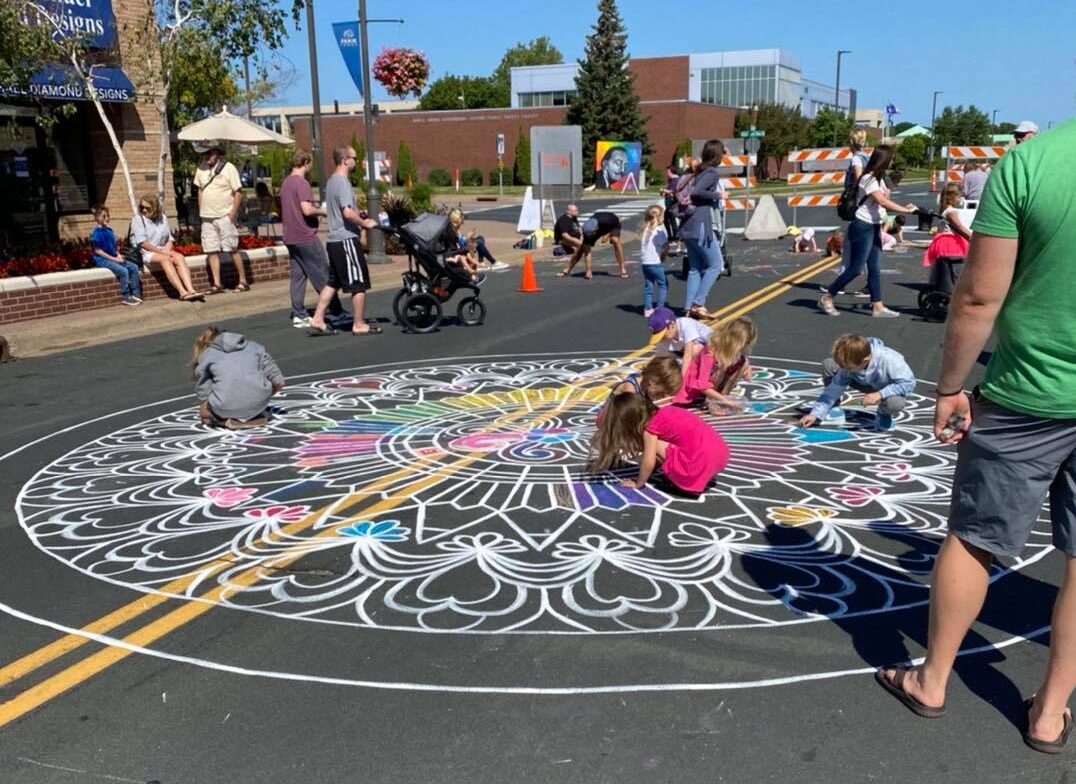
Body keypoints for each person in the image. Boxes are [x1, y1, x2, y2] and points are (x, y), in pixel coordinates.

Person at [875, 118, 1076, 753]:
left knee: (974, 540)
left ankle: (932, 679)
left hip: (1027, 394)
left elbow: (978, 298)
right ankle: (1050, 712)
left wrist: (950, 387)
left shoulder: (1032, 163)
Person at [818, 146, 918, 318]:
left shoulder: (878, 179)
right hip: (862, 226)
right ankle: (827, 297)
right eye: (891, 158)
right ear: (884, 160)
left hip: (874, 225)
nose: (893, 161)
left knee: (874, 268)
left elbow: (883, 202)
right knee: (856, 269)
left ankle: (877, 306)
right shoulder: (868, 178)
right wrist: (906, 210)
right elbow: (881, 201)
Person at [589, 393, 729, 496]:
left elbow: (649, 461)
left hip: (698, 464)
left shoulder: (650, 427)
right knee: (666, 446)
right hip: (720, 456)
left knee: (653, 446)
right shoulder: (667, 411)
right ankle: (693, 475)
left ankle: (685, 480)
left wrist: (638, 483)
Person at [307, 145, 382, 336]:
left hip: (334, 240)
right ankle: (358, 324)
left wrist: (358, 214)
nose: (356, 162)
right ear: (345, 159)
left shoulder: (331, 182)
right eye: (354, 158)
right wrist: (365, 222)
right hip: (345, 239)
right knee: (359, 282)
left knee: (333, 281)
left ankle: (317, 318)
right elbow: (347, 213)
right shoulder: (342, 182)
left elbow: (342, 210)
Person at [279, 149, 344, 328]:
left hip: (290, 236)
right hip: (305, 236)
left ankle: (299, 314)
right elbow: (307, 210)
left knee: (298, 276)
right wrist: (326, 210)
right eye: (311, 163)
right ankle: (336, 310)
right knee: (322, 274)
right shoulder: (302, 183)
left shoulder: (286, 183)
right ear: (306, 163)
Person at [799, 333, 915, 432]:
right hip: (863, 383)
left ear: (864, 361)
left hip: (885, 388)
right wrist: (815, 414)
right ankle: (834, 408)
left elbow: (908, 383)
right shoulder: (849, 365)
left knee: (895, 403)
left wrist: (880, 394)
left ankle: (884, 413)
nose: (845, 369)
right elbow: (832, 390)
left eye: (848, 367)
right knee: (830, 364)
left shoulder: (890, 359)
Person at [192, 326, 284, 430]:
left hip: (225, 406)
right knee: (250, 401)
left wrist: (205, 408)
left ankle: (224, 421)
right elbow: (279, 382)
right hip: (259, 402)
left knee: (205, 414)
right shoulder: (255, 347)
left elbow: (203, 390)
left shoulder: (208, 354)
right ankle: (254, 414)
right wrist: (263, 396)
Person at [193, 145, 250, 293]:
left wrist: (232, 214)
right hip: (207, 217)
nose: (206, 157)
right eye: (204, 154)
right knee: (211, 250)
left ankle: (243, 281)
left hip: (224, 215)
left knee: (231, 248)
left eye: (209, 153)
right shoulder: (201, 168)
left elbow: (238, 192)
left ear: (217, 153)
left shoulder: (228, 168)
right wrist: (201, 210)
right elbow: (200, 190)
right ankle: (217, 284)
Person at [679, 140, 726, 319]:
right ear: (717, 155)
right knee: (716, 264)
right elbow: (697, 192)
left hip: (688, 224)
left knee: (695, 268)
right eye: (722, 154)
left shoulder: (699, 171)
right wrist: (718, 195)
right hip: (700, 224)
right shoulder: (712, 172)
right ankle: (698, 303)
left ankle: (688, 307)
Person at [672, 316, 757, 411]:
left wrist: (746, 368)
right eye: (743, 344)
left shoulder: (730, 350)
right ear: (733, 340)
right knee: (721, 366)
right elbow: (702, 384)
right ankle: (713, 401)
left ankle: (723, 396)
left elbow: (744, 367)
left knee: (743, 362)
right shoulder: (711, 349)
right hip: (696, 388)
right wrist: (727, 402)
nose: (744, 347)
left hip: (713, 385)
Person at [131, 194, 204, 302]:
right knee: (165, 259)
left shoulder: (163, 218)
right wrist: (162, 253)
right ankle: (182, 292)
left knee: (179, 257)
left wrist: (167, 250)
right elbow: (142, 243)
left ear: (154, 208)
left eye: (147, 208)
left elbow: (169, 238)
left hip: (162, 249)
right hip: (147, 252)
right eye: (142, 207)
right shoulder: (138, 219)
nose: (144, 210)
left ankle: (191, 289)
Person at [90, 206, 142, 306]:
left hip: (113, 257)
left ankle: (136, 294)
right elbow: (98, 251)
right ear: (97, 218)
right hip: (102, 259)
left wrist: (118, 256)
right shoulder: (96, 233)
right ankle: (125, 297)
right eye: (104, 216)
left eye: (108, 216)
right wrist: (114, 259)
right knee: (123, 271)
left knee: (133, 267)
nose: (107, 218)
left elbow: (114, 248)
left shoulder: (110, 231)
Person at [558, 211, 627, 279]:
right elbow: (587, 252)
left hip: (614, 225)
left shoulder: (609, 220)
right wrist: (588, 270)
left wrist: (607, 235)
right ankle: (568, 269)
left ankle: (623, 269)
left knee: (615, 240)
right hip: (598, 226)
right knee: (583, 247)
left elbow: (619, 222)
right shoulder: (586, 228)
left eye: (591, 234)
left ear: (595, 230)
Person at [639, 206, 669, 317]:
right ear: (660, 217)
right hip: (655, 263)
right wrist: (663, 256)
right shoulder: (659, 231)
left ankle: (648, 309)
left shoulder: (645, 230)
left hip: (645, 263)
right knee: (663, 284)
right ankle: (660, 307)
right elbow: (666, 246)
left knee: (648, 285)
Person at [661, 164, 681, 245]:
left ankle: (675, 237)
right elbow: (669, 191)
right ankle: (671, 236)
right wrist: (664, 192)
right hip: (669, 203)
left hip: (673, 204)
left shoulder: (675, 180)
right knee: (666, 219)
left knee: (672, 221)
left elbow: (672, 191)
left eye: (668, 172)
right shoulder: (671, 180)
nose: (667, 174)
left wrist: (663, 190)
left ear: (672, 172)